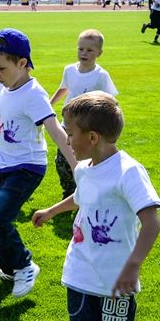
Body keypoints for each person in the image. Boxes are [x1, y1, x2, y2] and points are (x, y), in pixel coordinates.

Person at [31, 91, 160, 321]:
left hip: (118, 280)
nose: (66, 138)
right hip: (81, 273)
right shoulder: (86, 168)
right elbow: (82, 196)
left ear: (91, 137)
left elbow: (151, 221)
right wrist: (53, 210)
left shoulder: (128, 172)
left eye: (70, 133)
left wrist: (133, 265)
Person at [0, 29, 76, 297]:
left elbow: (55, 129)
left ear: (22, 63)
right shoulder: (6, 87)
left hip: (27, 167)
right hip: (4, 165)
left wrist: (76, 166)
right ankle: (11, 269)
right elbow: (1, 113)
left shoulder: (34, 94)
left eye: (0, 68)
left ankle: (25, 266)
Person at [48, 29, 119, 198]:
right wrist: (50, 103)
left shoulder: (101, 76)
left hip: (88, 128)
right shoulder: (69, 70)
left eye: (89, 50)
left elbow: (110, 100)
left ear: (99, 53)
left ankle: (90, 190)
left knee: (88, 161)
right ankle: (69, 192)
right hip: (68, 126)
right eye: (81, 49)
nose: (84, 53)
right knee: (62, 161)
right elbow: (64, 88)